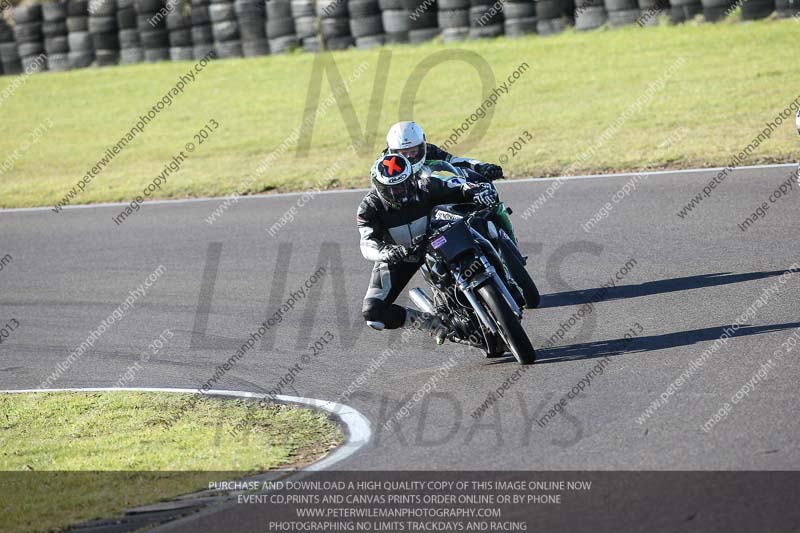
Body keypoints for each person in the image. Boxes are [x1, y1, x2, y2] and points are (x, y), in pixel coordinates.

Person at [357, 153, 499, 344]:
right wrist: (391, 252)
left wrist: (477, 192)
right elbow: (367, 243)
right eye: (390, 189)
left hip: (436, 241)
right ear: (377, 185)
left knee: (480, 230)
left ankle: (504, 278)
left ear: (412, 179)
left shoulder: (426, 186)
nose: (397, 192)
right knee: (373, 312)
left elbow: (459, 186)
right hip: (400, 255)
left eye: (402, 185)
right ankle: (434, 324)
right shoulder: (369, 207)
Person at [382, 121, 518, 243]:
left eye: (413, 151)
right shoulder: (384, 167)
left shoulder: (429, 150)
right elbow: (378, 197)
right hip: (409, 214)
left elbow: (455, 160)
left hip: (436, 193)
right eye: (403, 153)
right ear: (392, 151)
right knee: (383, 269)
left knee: (489, 195)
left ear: (421, 146)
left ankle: (511, 243)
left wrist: (482, 167)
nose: (409, 157)